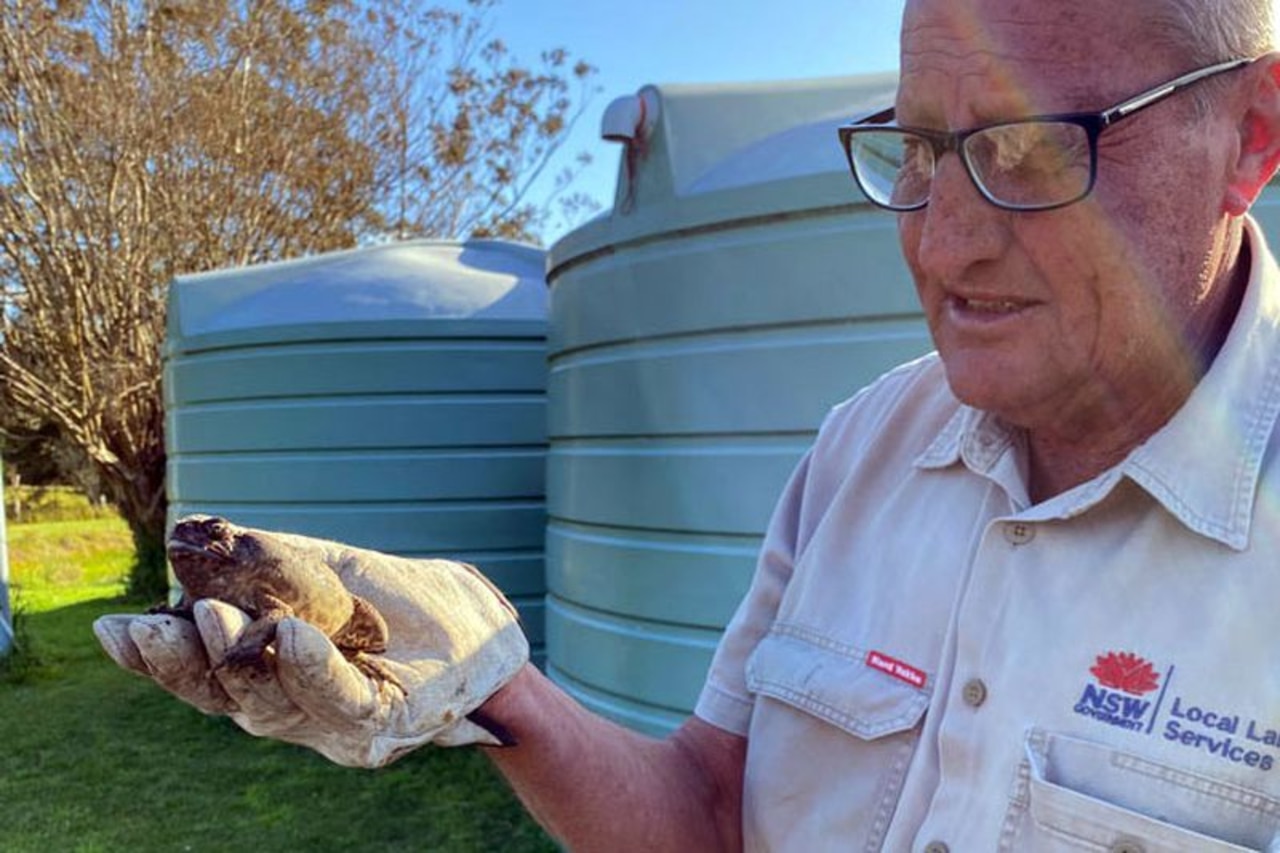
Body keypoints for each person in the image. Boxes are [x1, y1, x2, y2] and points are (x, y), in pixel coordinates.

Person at [94, 0, 1280, 848]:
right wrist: (499, 687)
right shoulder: (862, 450)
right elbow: (714, 812)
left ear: (1249, 135)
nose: (941, 241)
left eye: (1026, 148)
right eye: (915, 151)